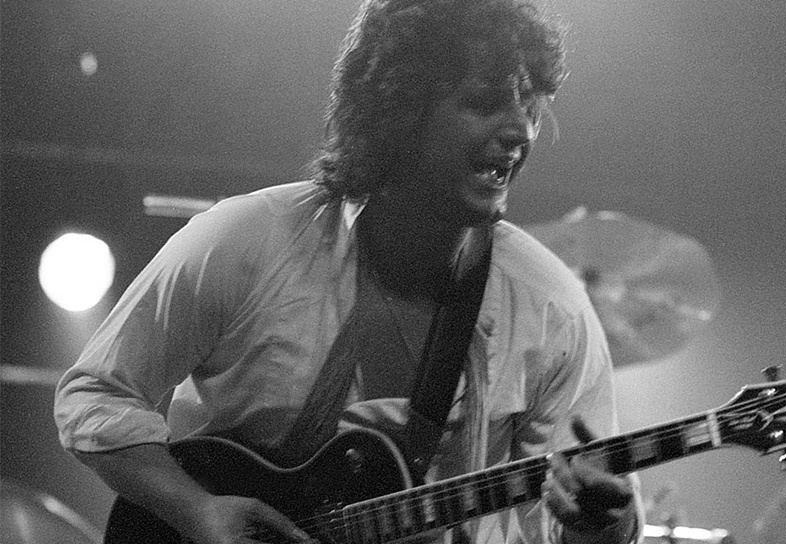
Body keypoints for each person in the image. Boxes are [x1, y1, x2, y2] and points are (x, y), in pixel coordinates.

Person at [54, 1, 644, 543]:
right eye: (485, 102)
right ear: (401, 109)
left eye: (531, 106)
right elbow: (96, 393)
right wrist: (196, 510)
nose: (521, 131)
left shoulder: (554, 311)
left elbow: (579, 518)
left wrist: (605, 524)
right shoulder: (245, 242)